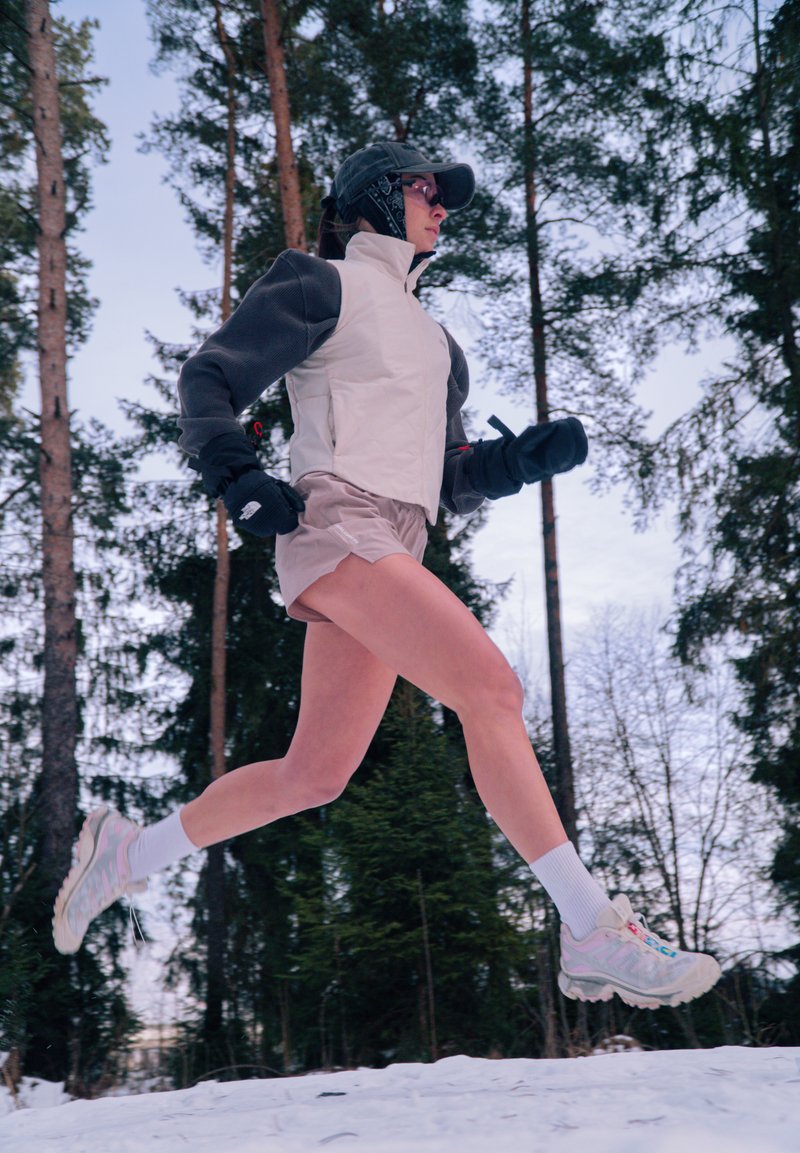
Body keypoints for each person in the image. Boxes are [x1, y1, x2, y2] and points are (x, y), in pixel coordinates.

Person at [53, 141, 720, 1010]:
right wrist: (236, 477)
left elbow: (443, 474)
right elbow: (209, 376)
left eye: (445, 196)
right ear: (376, 194)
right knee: (491, 688)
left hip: (397, 534)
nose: (442, 206)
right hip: (335, 517)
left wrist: (516, 462)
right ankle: (591, 928)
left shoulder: (440, 345)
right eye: (425, 190)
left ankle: (123, 854)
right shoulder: (320, 282)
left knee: (313, 774)